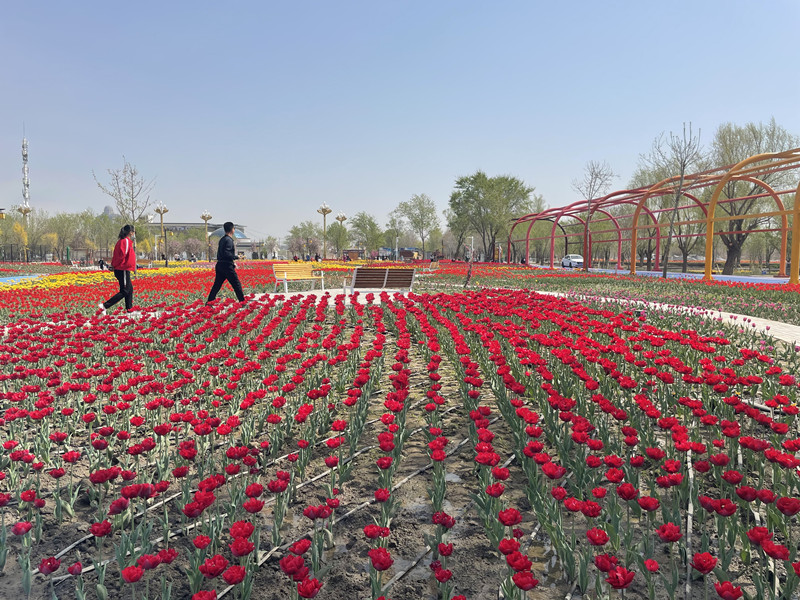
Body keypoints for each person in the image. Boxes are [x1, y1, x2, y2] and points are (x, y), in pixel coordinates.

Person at [98, 225, 136, 315]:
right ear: (130, 232)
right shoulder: (125, 241)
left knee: (129, 289)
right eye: (133, 232)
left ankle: (129, 309)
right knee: (125, 290)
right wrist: (115, 265)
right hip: (122, 268)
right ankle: (104, 306)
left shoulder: (123, 241)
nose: (134, 234)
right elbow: (122, 255)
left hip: (123, 268)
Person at [206, 221, 245, 303]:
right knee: (236, 284)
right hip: (227, 266)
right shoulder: (229, 240)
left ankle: (209, 302)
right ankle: (242, 302)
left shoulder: (222, 239)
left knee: (217, 285)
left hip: (220, 265)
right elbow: (227, 254)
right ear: (232, 230)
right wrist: (236, 257)